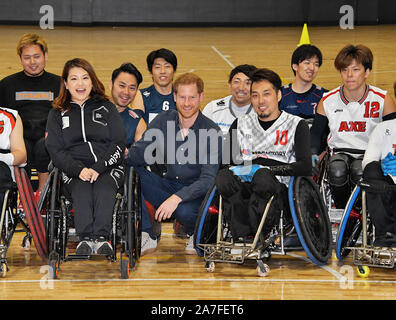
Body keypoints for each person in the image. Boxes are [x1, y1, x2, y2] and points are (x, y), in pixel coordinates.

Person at [127, 73, 222, 256]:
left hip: (195, 194)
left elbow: (208, 180)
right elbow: (142, 151)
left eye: (192, 97)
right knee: (131, 173)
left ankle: (197, 231)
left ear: (201, 97)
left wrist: (176, 198)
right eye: (182, 97)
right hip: (168, 184)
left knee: (184, 211)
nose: (187, 103)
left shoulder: (212, 131)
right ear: (174, 97)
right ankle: (147, 233)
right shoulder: (164, 120)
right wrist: (124, 154)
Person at [216, 68, 311, 244]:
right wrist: (251, 167)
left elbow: (305, 166)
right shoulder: (241, 123)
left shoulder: (297, 124)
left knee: (262, 177)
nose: (260, 101)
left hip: (277, 189)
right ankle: (243, 235)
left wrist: (265, 167)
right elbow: (227, 162)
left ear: (279, 95)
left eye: (266, 94)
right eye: (255, 95)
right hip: (245, 183)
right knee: (223, 177)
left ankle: (261, 232)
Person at [45, 58, 126, 256]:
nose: (80, 84)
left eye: (85, 78)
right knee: (81, 188)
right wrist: (78, 170)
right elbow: (55, 150)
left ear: (92, 81)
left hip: (107, 167)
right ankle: (85, 239)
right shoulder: (56, 113)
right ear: (65, 83)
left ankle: (101, 238)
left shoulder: (107, 107)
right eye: (74, 79)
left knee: (104, 187)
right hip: (73, 169)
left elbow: (118, 142)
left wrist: (99, 168)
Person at [311, 44, 396, 209]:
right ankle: (345, 211)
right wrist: (311, 153)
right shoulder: (328, 99)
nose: (349, 75)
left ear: (367, 72)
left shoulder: (382, 99)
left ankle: (361, 210)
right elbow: (315, 134)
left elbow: (393, 132)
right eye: (344, 70)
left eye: (355, 69)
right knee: (337, 170)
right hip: (339, 153)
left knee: (360, 170)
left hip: (370, 155)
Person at [0, 33, 60, 197]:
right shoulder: (7, 85)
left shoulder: (59, 84)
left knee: (43, 147)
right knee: (21, 149)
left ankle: (42, 193)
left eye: (36, 56)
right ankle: (24, 196)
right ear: (20, 58)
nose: (32, 62)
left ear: (45, 56)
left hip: (47, 139)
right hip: (19, 140)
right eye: (27, 57)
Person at [361, 82, 396, 247]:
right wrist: (381, 164)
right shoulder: (383, 128)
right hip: (388, 191)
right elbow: (368, 160)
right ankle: (386, 234)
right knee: (371, 170)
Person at [202, 64, 257, 134]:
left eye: (248, 83)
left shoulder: (263, 112)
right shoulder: (212, 109)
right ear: (229, 85)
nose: (241, 88)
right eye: (237, 82)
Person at [130, 48, 177, 124]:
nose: (163, 71)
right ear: (150, 71)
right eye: (157, 67)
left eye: (167, 66)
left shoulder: (183, 95)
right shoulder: (140, 95)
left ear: (174, 70)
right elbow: (135, 124)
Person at [279, 44, 327, 120]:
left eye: (316, 64)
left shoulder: (325, 95)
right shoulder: (280, 94)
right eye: (307, 63)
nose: (312, 68)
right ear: (295, 66)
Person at [110, 63, 146, 151]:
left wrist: (128, 154)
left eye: (132, 88)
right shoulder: (93, 108)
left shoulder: (138, 123)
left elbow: (142, 155)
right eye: (122, 86)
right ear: (111, 85)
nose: (126, 92)